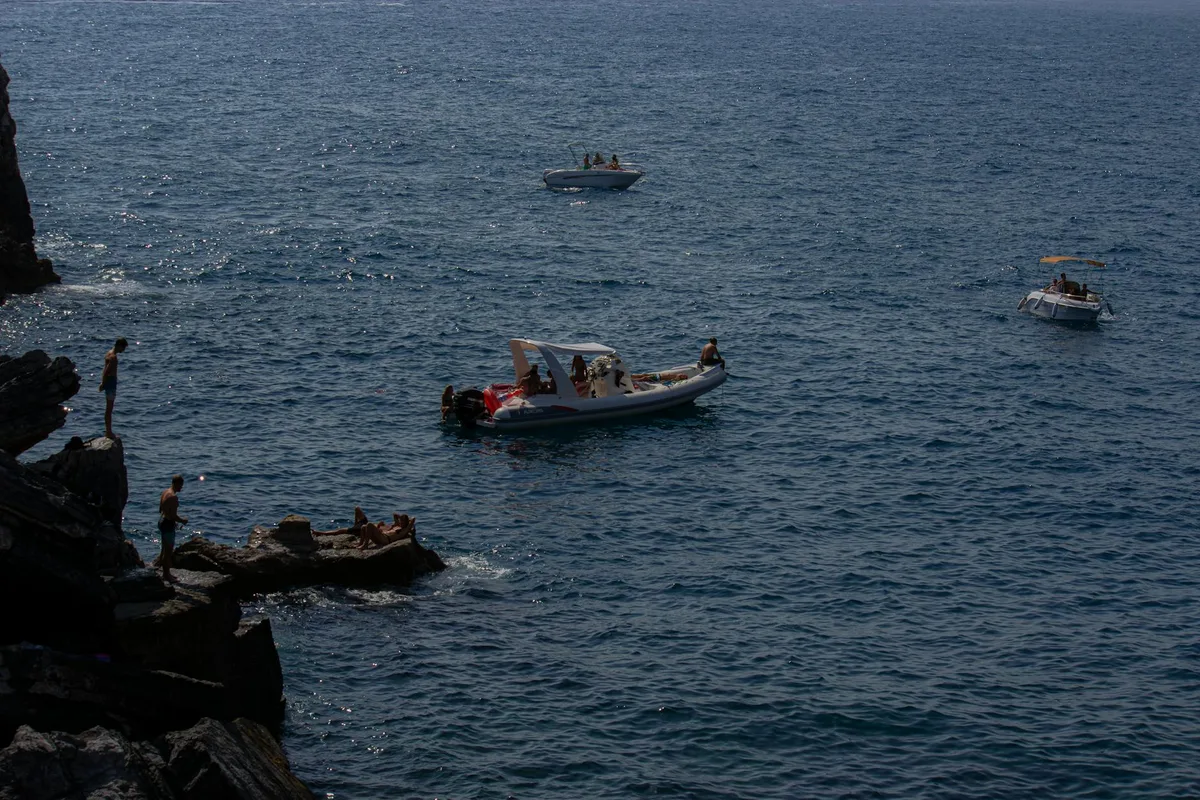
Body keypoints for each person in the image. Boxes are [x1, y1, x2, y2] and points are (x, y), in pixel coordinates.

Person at [158, 474, 187, 582]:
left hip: (162, 521)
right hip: (167, 524)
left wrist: (168, 516)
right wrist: (183, 520)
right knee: (168, 551)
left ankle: (162, 572)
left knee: (164, 549)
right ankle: (166, 575)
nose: (181, 488)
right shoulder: (173, 497)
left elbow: (160, 509)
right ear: (176, 484)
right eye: (181, 485)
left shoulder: (165, 492)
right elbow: (174, 516)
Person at [99, 337, 128, 439]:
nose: (123, 351)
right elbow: (107, 371)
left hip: (109, 382)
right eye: (123, 348)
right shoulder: (113, 357)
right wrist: (103, 383)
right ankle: (109, 432)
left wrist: (102, 383)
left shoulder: (108, 353)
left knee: (108, 409)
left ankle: (108, 431)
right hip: (111, 383)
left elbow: (104, 370)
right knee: (109, 409)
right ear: (120, 345)